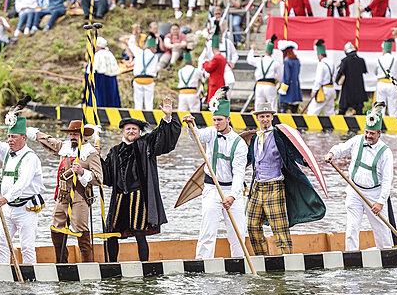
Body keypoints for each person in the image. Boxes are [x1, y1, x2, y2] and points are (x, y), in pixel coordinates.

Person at [101, 97, 181, 262]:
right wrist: (96, 157)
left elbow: (160, 136)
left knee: (139, 232)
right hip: (119, 197)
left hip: (138, 195)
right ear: (123, 131)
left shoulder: (146, 144)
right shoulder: (114, 151)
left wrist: (167, 118)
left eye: (134, 129)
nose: (131, 131)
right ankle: (112, 264)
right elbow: (106, 175)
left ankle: (144, 264)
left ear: (139, 132)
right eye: (128, 129)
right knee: (111, 232)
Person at [245, 102, 326, 255]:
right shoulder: (254, 138)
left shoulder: (279, 136)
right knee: (252, 225)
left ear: (272, 117)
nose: (265, 119)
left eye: (268, 116)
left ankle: (285, 259)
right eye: (262, 116)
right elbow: (247, 159)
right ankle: (262, 257)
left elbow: (292, 152)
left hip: (275, 185)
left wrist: (306, 161)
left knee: (279, 227)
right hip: (256, 187)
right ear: (257, 118)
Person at [0, 103, 45, 265]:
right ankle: (2, 275)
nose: (10, 140)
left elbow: (22, 183)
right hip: (7, 208)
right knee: (2, 244)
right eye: (8, 137)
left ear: (23, 138)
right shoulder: (6, 150)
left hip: (26, 209)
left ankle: (30, 281)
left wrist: (5, 197)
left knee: (26, 246)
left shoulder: (30, 158)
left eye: (14, 137)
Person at [183, 89, 248, 260]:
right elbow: (196, 136)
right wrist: (191, 125)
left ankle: (239, 262)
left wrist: (233, 196)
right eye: (214, 120)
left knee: (237, 233)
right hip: (212, 188)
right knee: (207, 230)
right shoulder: (211, 132)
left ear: (228, 119)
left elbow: (240, 173)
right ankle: (203, 263)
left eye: (219, 120)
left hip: (233, 190)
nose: (216, 123)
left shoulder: (239, 144)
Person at [325, 102, 396, 252]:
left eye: (372, 134)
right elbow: (341, 148)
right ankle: (352, 256)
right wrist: (332, 153)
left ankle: (387, 255)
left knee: (382, 231)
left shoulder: (386, 152)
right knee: (352, 227)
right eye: (367, 132)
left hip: (375, 195)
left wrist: (381, 202)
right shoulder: (358, 140)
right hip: (354, 190)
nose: (368, 136)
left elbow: (387, 180)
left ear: (379, 133)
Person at [30, 120, 102, 263]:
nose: (72, 137)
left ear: (82, 135)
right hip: (61, 197)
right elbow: (49, 141)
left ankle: (87, 265)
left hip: (80, 198)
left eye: (76, 134)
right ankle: (61, 262)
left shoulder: (91, 153)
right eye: (71, 134)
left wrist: (83, 172)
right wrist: (31, 132)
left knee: (82, 233)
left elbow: (99, 179)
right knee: (56, 230)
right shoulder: (65, 148)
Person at [127, 32, 161, 110]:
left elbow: (131, 44)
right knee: (149, 102)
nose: (155, 50)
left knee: (138, 102)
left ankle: (137, 119)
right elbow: (155, 70)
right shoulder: (155, 57)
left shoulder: (139, 52)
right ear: (152, 47)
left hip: (138, 80)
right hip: (149, 81)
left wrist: (133, 35)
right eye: (155, 48)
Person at [247, 37, 282, 110]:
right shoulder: (275, 63)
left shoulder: (259, 60)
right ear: (272, 53)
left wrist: (252, 50)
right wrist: (280, 84)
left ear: (265, 51)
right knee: (272, 106)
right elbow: (280, 77)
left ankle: (258, 119)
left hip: (259, 86)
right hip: (270, 86)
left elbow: (249, 60)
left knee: (258, 106)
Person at [374, 33, 397, 116]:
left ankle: (380, 124)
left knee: (380, 107)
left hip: (381, 84)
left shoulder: (378, 59)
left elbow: (375, 72)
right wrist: (396, 38)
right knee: (393, 107)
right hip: (392, 84)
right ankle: (394, 124)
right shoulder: (395, 58)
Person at [336, 42, 367, 115]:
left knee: (342, 110)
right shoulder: (361, 61)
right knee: (359, 110)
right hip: (359, 89)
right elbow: (364, 70)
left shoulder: (345, 61)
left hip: (348, 89)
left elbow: (340, 73)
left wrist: (337, 81)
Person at [306, 39, 336, 115]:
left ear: (319, 54)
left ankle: (310, 126)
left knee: (312, 110)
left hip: (324, 90)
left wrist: (314, 91)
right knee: (330, 112)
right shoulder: (331, 63)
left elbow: (318, 80)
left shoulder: (321, 64)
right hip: (332, 89)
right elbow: (335, 76)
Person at [91, 36, 122, 108]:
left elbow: (94, 68)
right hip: (110, 77)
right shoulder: (110, 54)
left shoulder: (98, 54)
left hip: (100, 78)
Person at [279, 40, 302, 113]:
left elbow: (286, 76)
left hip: (287, 86)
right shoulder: (297, 60)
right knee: (294, 106)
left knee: (283, 105)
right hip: (295, 84)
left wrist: (283, 88)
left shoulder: (287, 60)